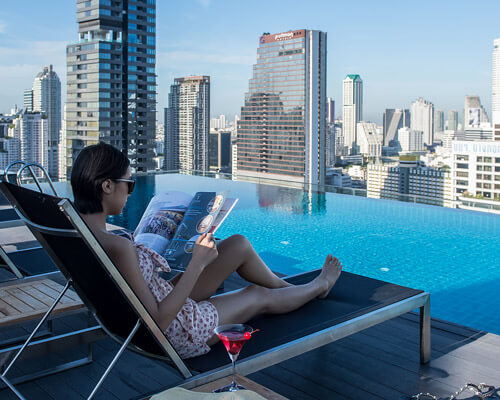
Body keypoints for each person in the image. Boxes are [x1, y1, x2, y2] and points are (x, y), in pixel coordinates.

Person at [71, 142, 342, 359]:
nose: (130, 192)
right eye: (128, 184)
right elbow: (159, 322)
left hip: (165, 297)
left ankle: (288, 289)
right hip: (180, 329)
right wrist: (196, 263)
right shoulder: (118, 247)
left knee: (237, 245)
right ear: (107, 186)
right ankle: (319, 286)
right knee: (255, 294)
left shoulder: (76, 231)